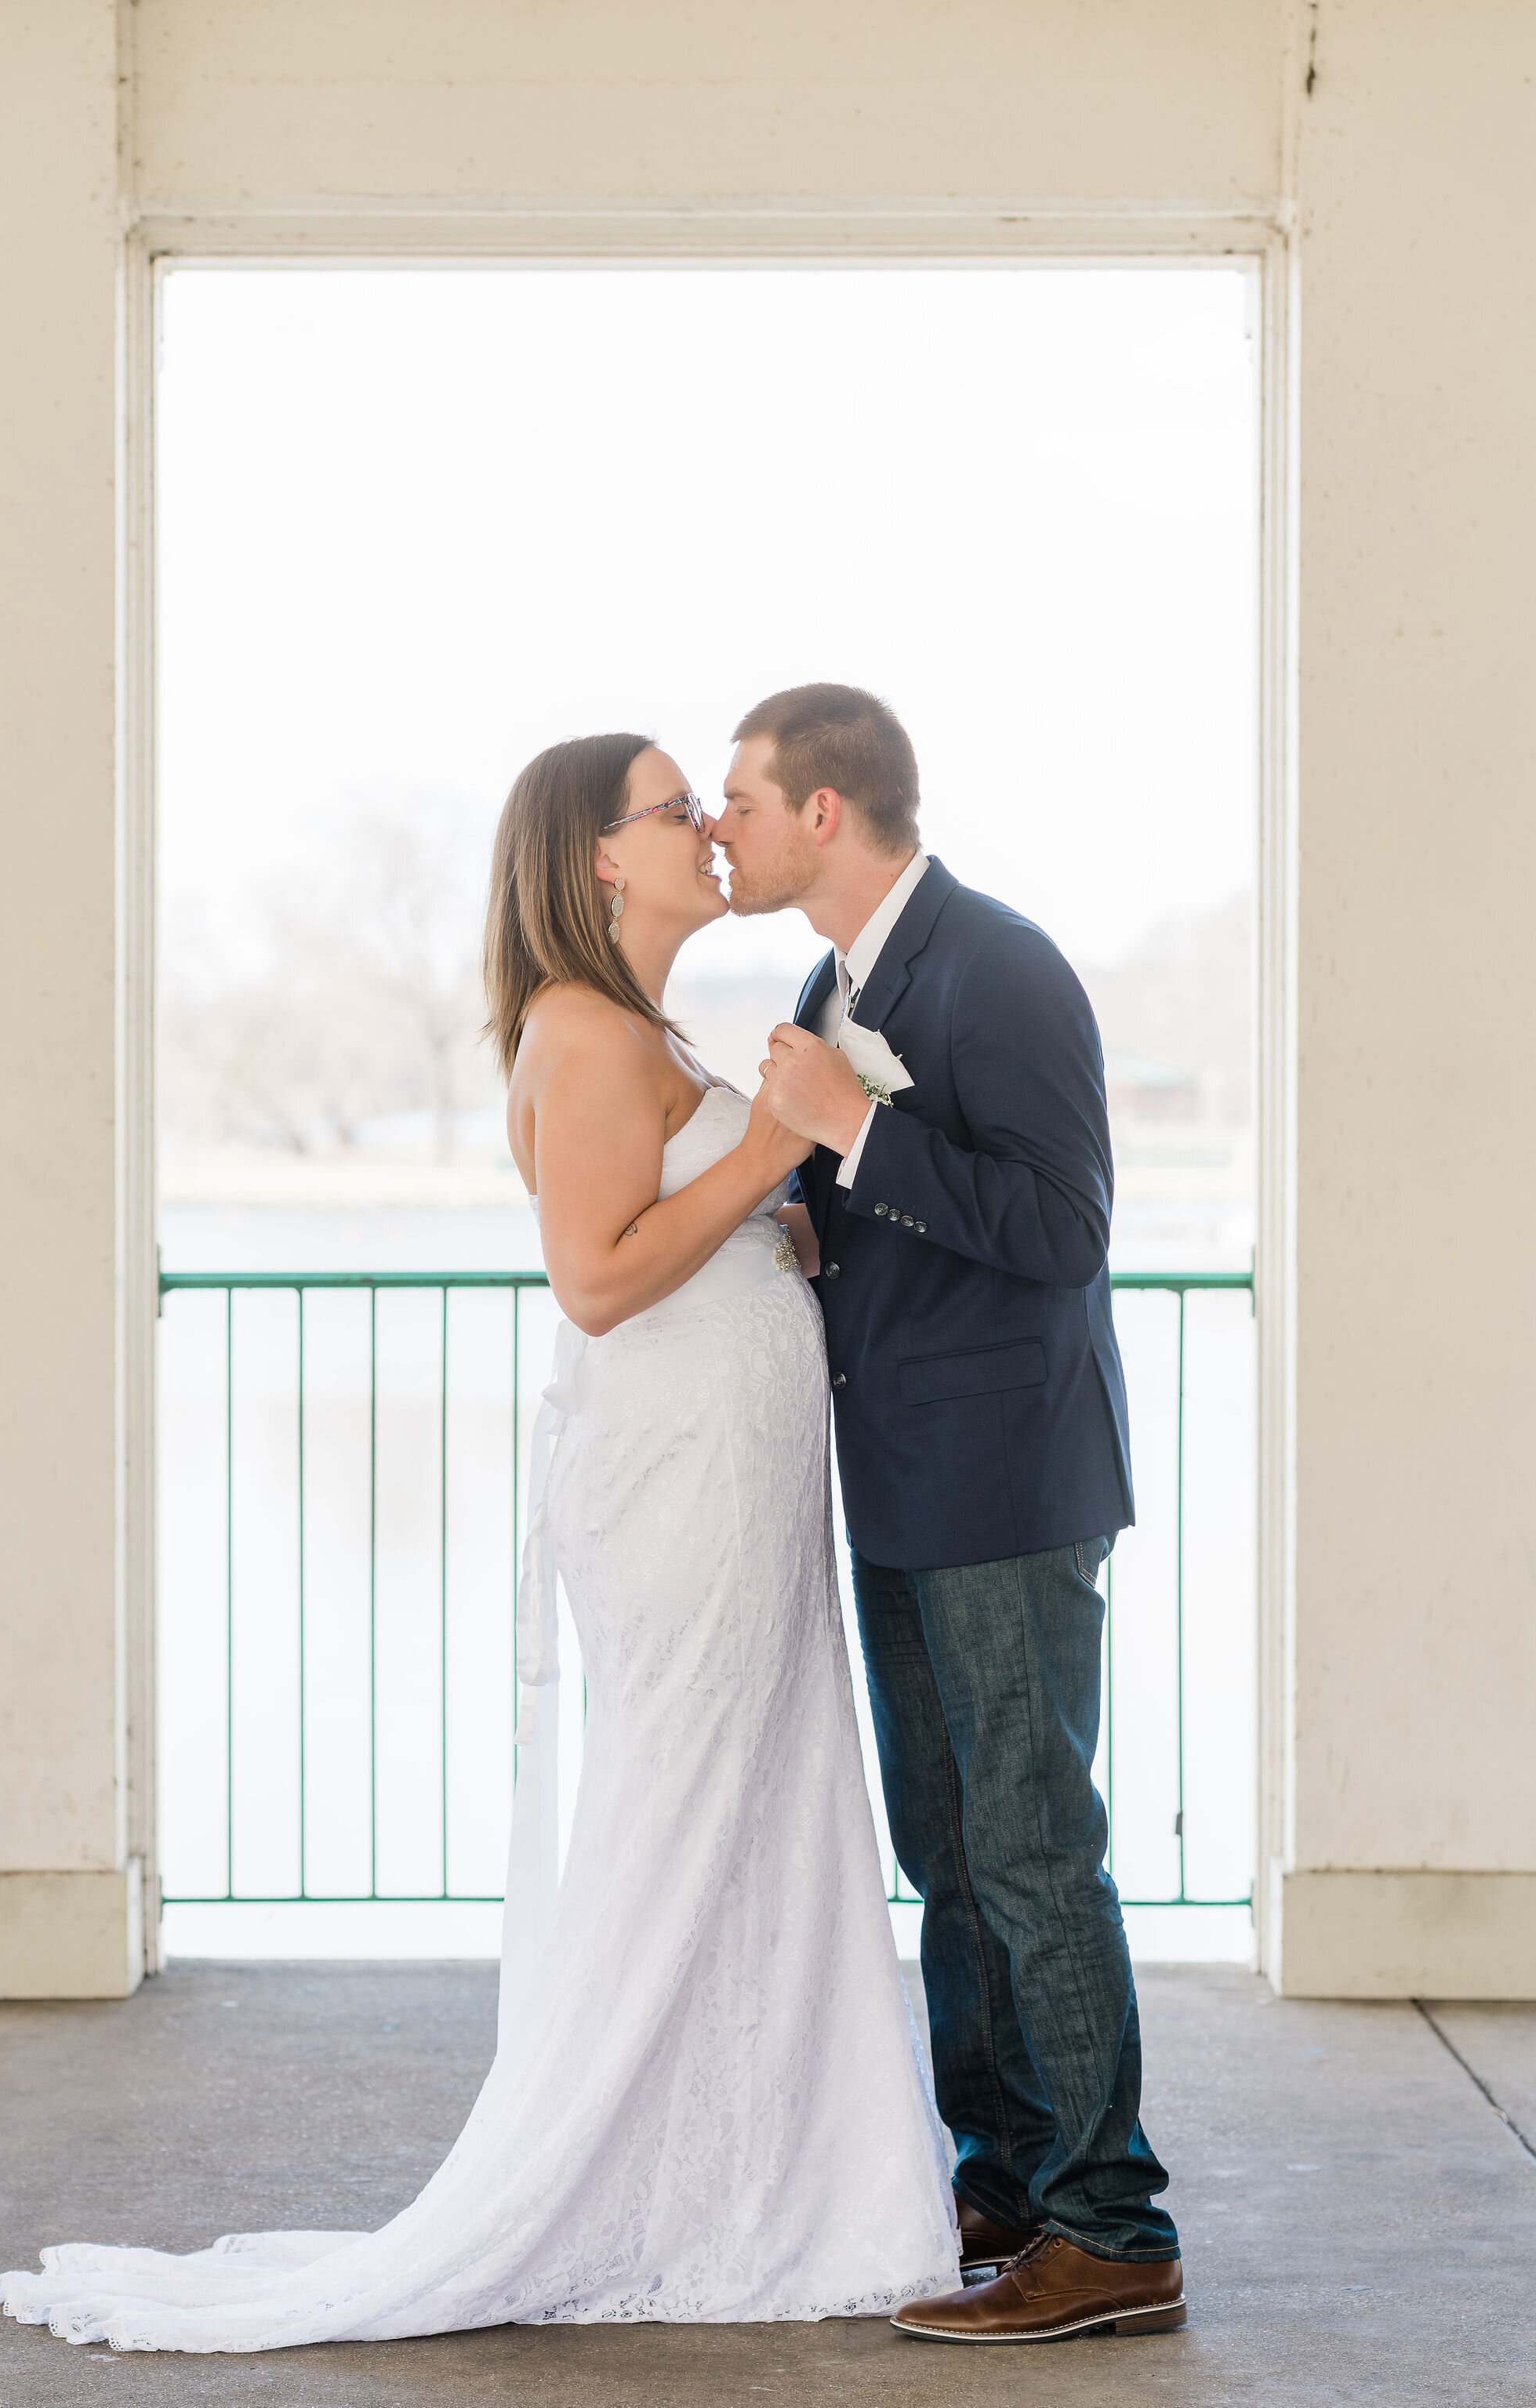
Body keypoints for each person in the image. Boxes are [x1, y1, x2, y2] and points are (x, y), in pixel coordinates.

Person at [0, 732, 959, 2354]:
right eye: (675, 811)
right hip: (676, 1505)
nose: (706, 833)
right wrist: (774, 1155)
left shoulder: (634, 1026)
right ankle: (638, 2182)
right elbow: (594, 1275)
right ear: (596, 857)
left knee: (758, 1817)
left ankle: (764, 2183)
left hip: (722, 1491)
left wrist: (770, 1223)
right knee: (684, 1819)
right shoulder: (583, 1032)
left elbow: (679, 1227)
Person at [715, 682, 1186, 2345]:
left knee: (1034, 1847)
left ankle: (1111, 2227)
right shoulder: (827, 978)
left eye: (742, 802)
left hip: (1005, 1483)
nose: (724, 828)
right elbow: (904, 1215)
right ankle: (1002, 2186)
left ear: (823, 813)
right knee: (953, 1851)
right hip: (901, 1478)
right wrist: (812, 1219)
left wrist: (854, 1125)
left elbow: (1061, 1228)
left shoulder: (1000, 966)